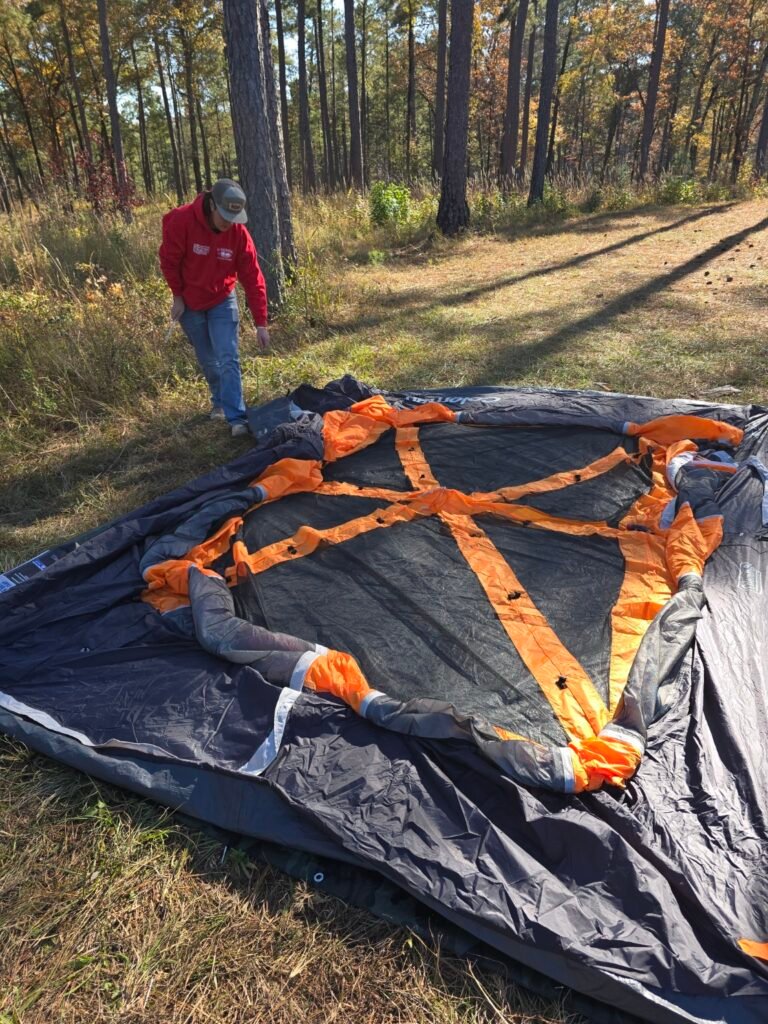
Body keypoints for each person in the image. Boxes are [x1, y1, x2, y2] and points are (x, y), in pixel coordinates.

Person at [159, 178, 270, 438]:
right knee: (209, 360)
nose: (228, 223)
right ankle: (219, 400)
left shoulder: (238, 235)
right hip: (190, 303)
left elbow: (254, 278)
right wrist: (177, 296)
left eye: (234, 217)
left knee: (228, 356)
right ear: (212, 205)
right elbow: (169, 261)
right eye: (225, 216)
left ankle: (236, 417)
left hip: (222, 299)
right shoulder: (182, 221)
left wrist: (261, 323)